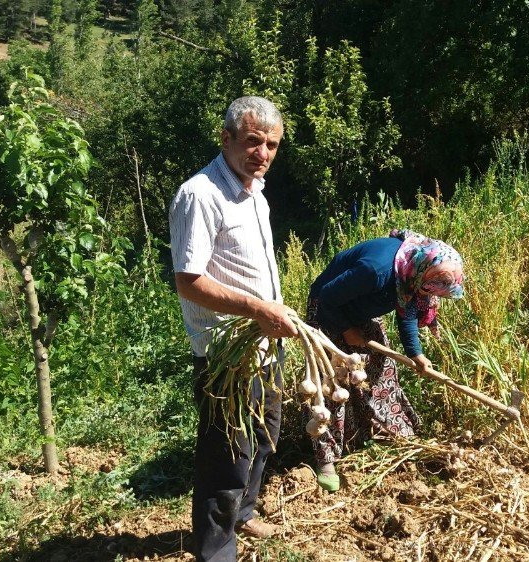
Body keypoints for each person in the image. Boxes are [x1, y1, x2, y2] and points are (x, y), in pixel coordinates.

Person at [169, 96, 298, 562]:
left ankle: (244, 512)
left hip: (263, 344)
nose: (262, 153)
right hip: (226, 354)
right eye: (252, 142)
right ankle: (216, 550)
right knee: (226, 455)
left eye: (271, 145)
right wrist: (257, 308)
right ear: (225, 139)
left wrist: (267, 315)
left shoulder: (254, 192)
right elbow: (189, 281)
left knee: (265, 435)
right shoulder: (200, 194)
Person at [305, 229, 465, 491]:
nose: (426, 295)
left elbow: (408, 310)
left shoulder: (412, 269)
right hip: (327, 311)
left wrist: (417, 354)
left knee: (381, 374)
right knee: (332, 386)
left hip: (362, 310)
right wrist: (346, 330)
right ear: (422, 272)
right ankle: (327, 460)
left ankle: (388, 436)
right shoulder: (376, 271)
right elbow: (326, 298)